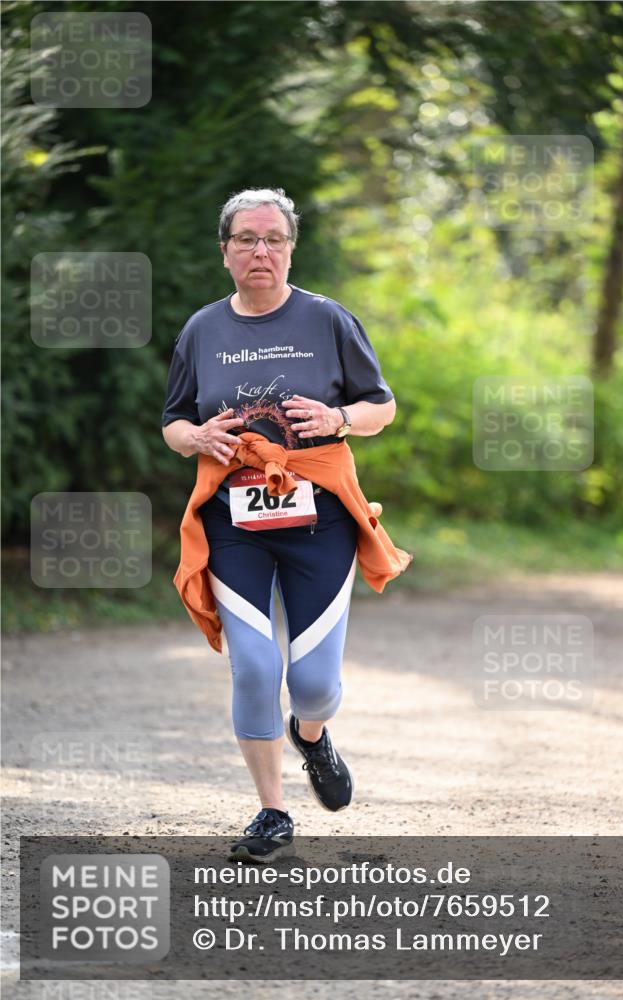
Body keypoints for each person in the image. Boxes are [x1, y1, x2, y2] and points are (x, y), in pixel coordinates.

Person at [162, 188, 409, 862]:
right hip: (232, 524)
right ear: (225, 251)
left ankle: (311, 734)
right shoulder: (202, 329)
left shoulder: (328, 320)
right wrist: (197, 437)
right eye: (246, 239)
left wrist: (338, 419)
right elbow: (173, 421)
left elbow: (380, 407)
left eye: (272, 238)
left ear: (290, 247)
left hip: (319, 522)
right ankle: (271, 812)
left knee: (314, 685)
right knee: (253, 665)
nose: (259, 251)